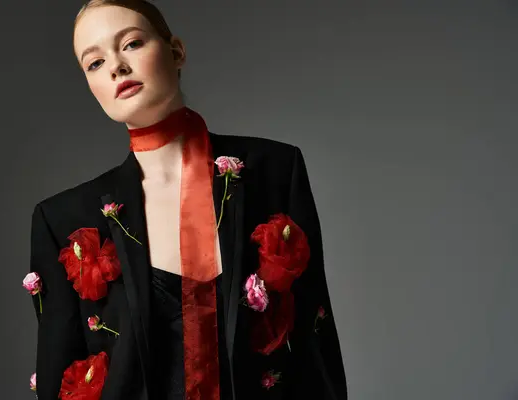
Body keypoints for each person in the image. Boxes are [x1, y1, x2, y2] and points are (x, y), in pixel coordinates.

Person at [27, 1, 347, 399]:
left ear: (176, 50)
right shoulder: (63, 220)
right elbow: (61, 378)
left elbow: (315, 350)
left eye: (131, 43)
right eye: (94, 63)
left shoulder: (275, 171)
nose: (116, 67)